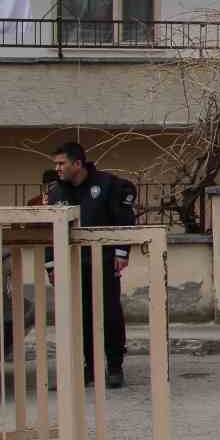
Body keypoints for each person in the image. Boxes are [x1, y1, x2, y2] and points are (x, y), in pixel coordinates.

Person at [44, 141, 135, 388]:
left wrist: (121, 252)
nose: (58, 168)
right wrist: (51, 265)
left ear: (78, 163)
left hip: (104, 261)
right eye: (56, 164)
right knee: (81, 316)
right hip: (72, 264)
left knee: (109, 313)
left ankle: (115, 367)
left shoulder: (107, 185)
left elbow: (123, 220)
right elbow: (48, 231)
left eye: (61, 163)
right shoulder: (56, 192)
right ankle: (89, 368)